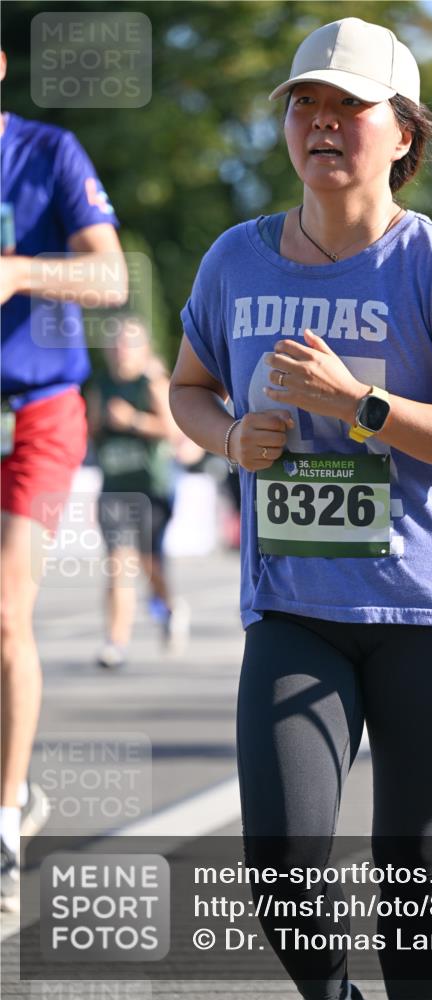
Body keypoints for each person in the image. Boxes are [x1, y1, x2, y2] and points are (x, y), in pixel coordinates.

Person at [170, 18, 432, 1000]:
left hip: (427, 612)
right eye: (304, 106)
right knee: (279, 865)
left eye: (348, 107)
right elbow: (187, 389)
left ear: (400, 133)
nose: (321, 124)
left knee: (411, 874)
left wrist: (360, 405)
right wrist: (229, 438)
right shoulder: (234, 261)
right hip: (293, 610)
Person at [0, 50, 127, 910]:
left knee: (5, 612)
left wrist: (16, 270)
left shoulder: (48, 153)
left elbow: (112, 277)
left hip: (39, 413)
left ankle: (4, 821)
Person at [86, 315, 190, 669]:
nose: (120, 351)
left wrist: (132, 420)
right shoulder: (100, 385)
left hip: (151, 490)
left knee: (149, 566)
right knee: (118, 564)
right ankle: (115, 642)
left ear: (143, 349)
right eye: (115, 344)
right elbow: (92, 432)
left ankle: (170, 608)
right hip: (114, 489)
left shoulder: (152, 384)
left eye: (128, 343)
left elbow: (173, 430)